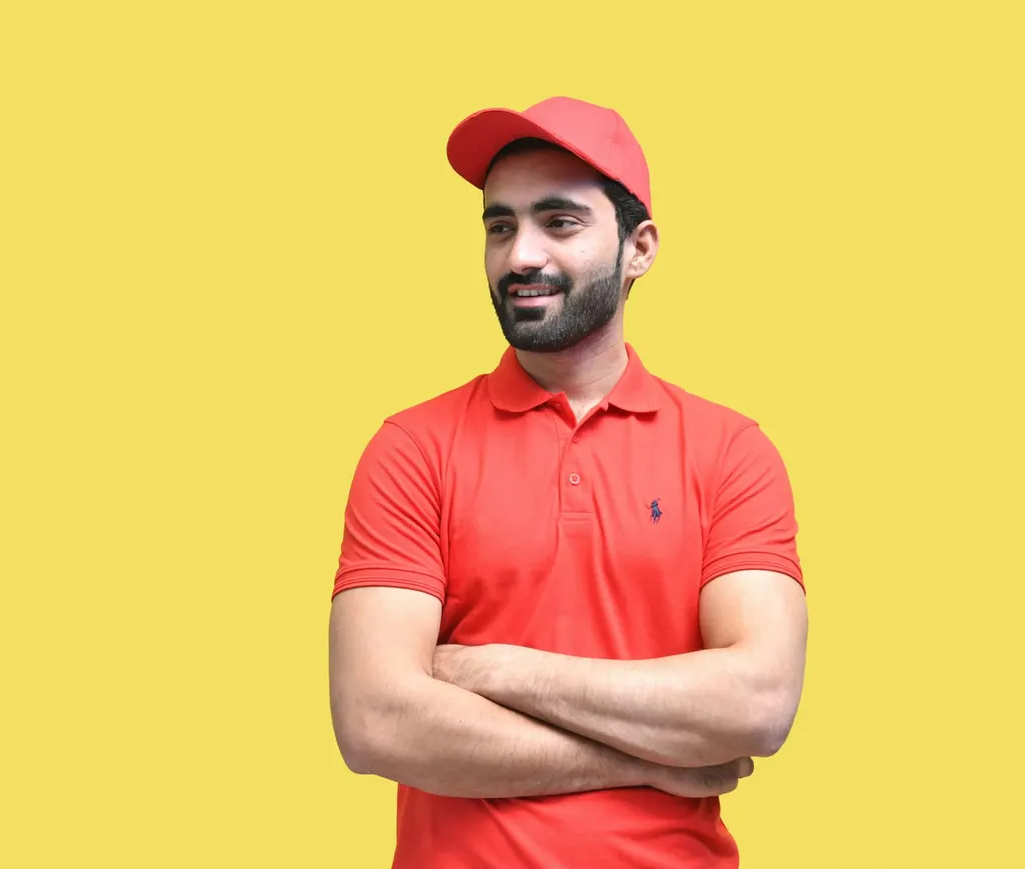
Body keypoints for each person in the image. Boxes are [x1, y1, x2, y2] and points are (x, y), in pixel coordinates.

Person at [328, 96, 809, 869]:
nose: (520, 255)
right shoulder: (412, 449)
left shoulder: (730, 452)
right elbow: (375, 719)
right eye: (499, 225)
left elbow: (756, 704)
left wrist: (488, 668)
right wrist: (646, 760)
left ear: (639, 247)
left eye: (559, 222)